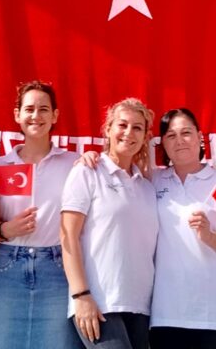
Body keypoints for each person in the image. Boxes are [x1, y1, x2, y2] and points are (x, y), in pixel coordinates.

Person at [0, 81, 82, 349]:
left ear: (55, 116)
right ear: (17, 115)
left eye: (43, 109)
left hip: (58, 269)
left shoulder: (74, 164)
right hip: (8, 268)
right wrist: (5, 230)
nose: (36, 116)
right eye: (29, 109)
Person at [149, 108, 216, 349]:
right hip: (166, 314)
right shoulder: (151, 180)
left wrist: (210, 236)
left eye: (186, 132)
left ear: (200, 137)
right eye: (171, 135)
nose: (179, 140)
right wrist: (90, 159)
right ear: (163, 143)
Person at [61, 97, 159, 349]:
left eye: (137, 128)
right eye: (122, 125)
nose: (129, 133)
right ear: (107, 129)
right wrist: (81, 295)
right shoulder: (87, 172)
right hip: (99, 303)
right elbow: (68, 235)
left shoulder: (147, 187)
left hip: (141, 306)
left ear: (145, 137)